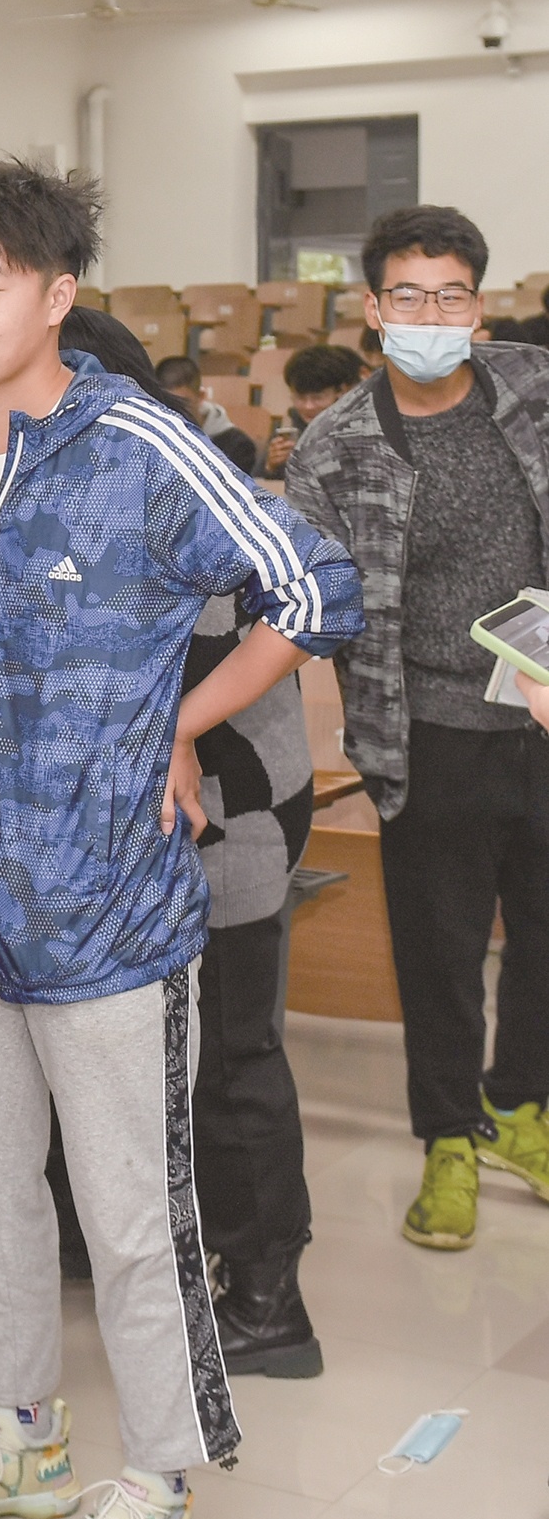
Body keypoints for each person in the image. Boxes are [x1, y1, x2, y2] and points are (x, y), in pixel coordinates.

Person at [0, 161, 361, 1519]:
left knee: (132, 1215)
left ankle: (158, 1477)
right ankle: (20, 1433)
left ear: (55, 296)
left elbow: (314, 584)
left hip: (106, 917)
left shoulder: (137, 443)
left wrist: (179, 720)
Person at [54, 306, 327, 1380]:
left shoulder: (193, 502)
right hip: (124, 835)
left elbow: (160, 680)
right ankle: (111, 1240)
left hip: (226, 821)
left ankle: (266, 1297)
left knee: (231, 1059)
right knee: (122, 1056)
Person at [285, 205, 549, 1252]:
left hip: (544, 717)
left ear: (477, 307)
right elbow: (315, 604)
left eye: (450, 296)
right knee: (439, 950)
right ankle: (447, 1135)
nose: (430, 316)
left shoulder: (533, 389)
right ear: (372, 307)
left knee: (544, 937)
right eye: (408, 296)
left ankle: (519, 1107)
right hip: (427, 731)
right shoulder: (335, 447)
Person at [262, 343, 364, 475]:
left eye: (317, 398)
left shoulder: (360, 431)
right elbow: (254, 482)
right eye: (300, 398)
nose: (308, 406)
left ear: (340, 392)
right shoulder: (286, 435)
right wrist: (271, 467)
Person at [156, 354, 259, 473]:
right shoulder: (150, 441)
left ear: (201, 396)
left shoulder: (238, 446)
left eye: (183, 403)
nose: (175, 412)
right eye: (167, 404)